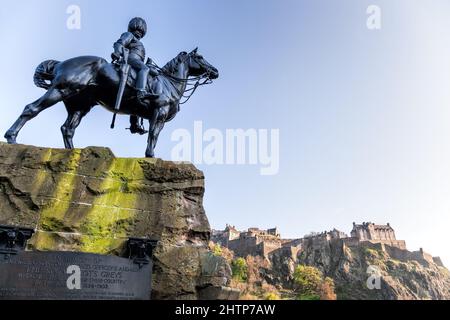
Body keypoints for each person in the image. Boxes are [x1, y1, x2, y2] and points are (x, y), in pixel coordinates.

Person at [112, 17, 158, 134]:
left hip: (138, 62)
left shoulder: (139, 43)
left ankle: (134, 124)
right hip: (131, 59)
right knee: (145, 68)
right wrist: (117, 52)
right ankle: (141, 91)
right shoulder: (129, 35)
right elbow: (119, 43)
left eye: (141, 31)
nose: (139, 32)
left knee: (151, 71)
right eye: (137, 29)